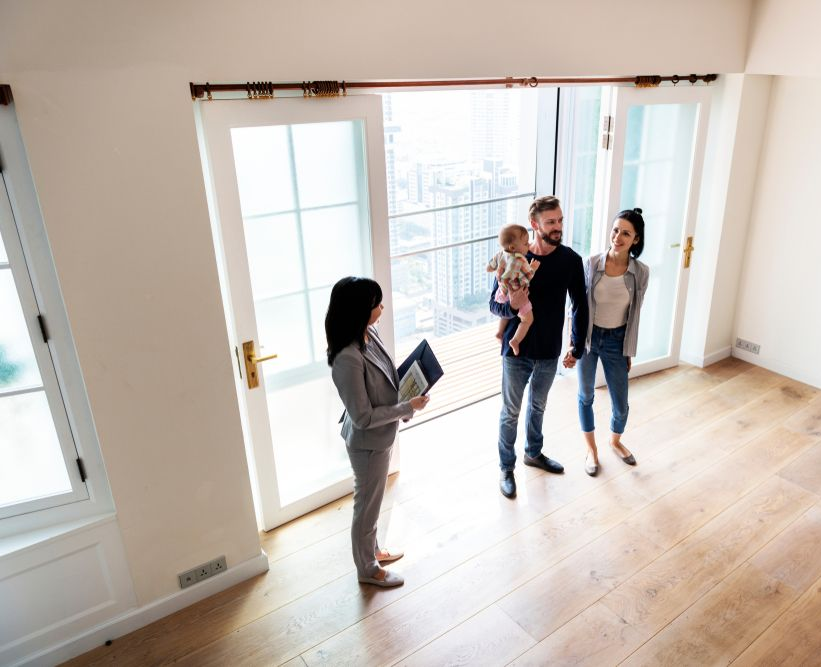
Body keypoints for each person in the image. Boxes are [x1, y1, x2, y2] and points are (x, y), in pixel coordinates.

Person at [326, 276, 430, 588]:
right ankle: (368, 569)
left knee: (372, 502)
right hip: (367, 443)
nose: (382, 308)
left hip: (380, 436)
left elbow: (386, 377)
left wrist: (407, 398)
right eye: (376, 304)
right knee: (367, 507)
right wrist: (406, 407)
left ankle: (371, 551)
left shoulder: (368, 332)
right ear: (359, 310)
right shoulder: (347, 358)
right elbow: (362, 417)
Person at [489, 196, 588, 499]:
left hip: (548, 350)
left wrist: (576, 346)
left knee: (538, 406)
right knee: (510, 412)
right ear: (534, 224)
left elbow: (580, 305)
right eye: (550, 222)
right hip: (516, 352)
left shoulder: (571, 260)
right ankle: (506, 468)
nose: (558, 227)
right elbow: (494, 304)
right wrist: (513, 307)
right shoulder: (512, 256)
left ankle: (533, 453)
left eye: (560, 220)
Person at [577, 208, 650, 476]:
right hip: (589, 338)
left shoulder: (641, 272)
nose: (617, 237)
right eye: (616, 230)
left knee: (621, 404)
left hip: (617, 340)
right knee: (585, 395)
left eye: (626, 233)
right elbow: (578, 308)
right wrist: (574, 343)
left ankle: (615, 441)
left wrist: (628, 350)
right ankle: (591, 450)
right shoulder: (591, 263)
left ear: (636, 239)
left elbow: (635, 314)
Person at [487, 224, 541, 355]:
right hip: (517, 294)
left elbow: (490, 267)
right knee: (527, 319)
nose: (528, 245)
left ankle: (499, 332)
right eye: (525, 243)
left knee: (506, 314)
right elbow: (527, 277)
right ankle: (515, 340)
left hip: (502, 293)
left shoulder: (500, 254)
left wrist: (494, 269)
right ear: (512, 247)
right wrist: (533, 268)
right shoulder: (521, 259)